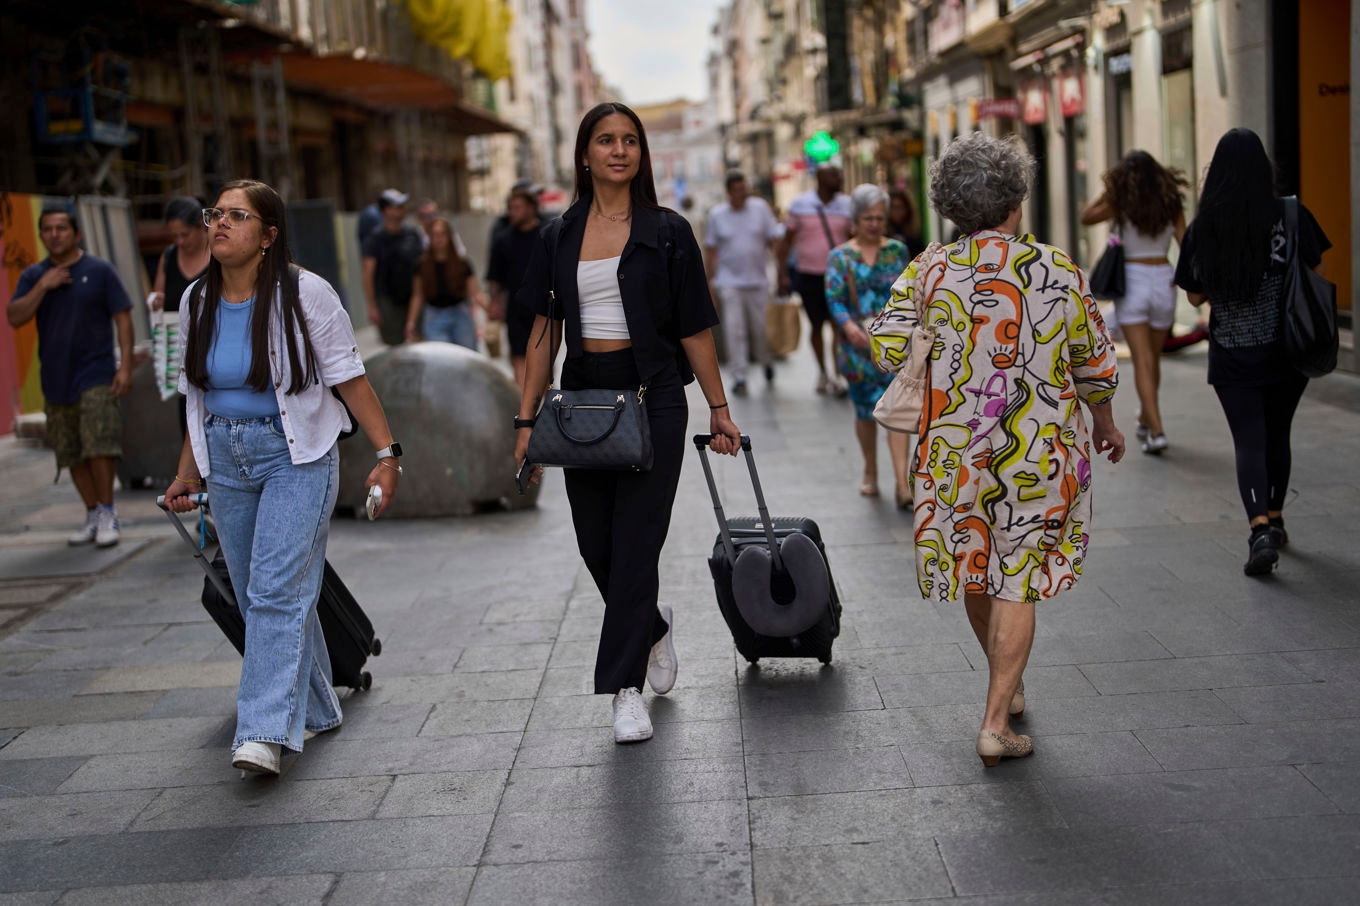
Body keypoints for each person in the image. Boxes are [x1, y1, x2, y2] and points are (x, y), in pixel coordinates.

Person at [870, 132, 1124, 767]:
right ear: (1016, 199)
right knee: (1018, 578)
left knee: (976, 567)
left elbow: (887, 350)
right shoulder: (1057, 269)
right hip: (1039, 453)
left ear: (953, 206)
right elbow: (1094, 362)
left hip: (954, 454)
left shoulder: (929, 267)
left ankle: (1004, 687)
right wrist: (1107, 423)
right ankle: (994, 720)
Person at [513, 102, 741, 745]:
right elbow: (542, 332)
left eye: (630, 141)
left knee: (637, 544)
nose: (619, 150)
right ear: (585, 154)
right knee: (597, 546)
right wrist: (524, 420)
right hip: (584, 403)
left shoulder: (668, 232)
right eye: (606, 140)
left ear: (641, 154)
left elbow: (695, 326)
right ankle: (653, 628)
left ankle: (624, 690)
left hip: (655, 398)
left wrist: (718, 410)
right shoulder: (560, 236)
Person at [162, 179, 402, 777]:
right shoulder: (196, 300)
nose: (218, 224)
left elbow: (350, 379)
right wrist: (186, 474)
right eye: (215, 213)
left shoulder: (306, 294)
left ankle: (262, 732)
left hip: (295, 456)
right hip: (225, 457)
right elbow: (195, 398)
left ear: (268, 236)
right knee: (256, 596)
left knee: (274, 593)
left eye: (236, 217)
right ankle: (321, 706)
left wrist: (387, 454)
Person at [1173, 128, 1330, 577]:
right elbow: (1317, 269)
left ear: (1216, 174)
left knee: (1249, 441)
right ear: (1265, 170)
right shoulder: (1291, 214)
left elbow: (1196, 299)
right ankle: (1277, 518)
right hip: (1288, 351)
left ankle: (1259, 527)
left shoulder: (1206, 227)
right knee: (1279, 434)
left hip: (1233, 354)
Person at [7, 207, 134, 548]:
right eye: (47, 229)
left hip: (96, 372)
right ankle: (92, 513)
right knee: (70, 450)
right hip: (56, 376)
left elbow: (123, 317)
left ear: (76, 233)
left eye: (61, 228)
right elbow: (14, 316)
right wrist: (43, 287)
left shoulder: (100, 270)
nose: (54, 235)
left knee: (98, 443)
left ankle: (108, 511)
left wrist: (124, 368)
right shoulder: (34, 275)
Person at [1081, 151, 1188, 454]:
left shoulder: (1122, 202)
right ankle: (1146, 417)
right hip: (1163, 279)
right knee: (1152, 359)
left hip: (1134, 279)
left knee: (1142, 360)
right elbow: (1185, 243)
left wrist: (1110, 191)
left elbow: (1086, 216)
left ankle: (1157, 431)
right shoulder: (1171, 203)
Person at [825, 184, 914, 506]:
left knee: (897, 411)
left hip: (893, 348)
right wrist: (849, 328)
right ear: (855, 220)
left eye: (879, 217)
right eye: (867, 218)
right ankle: (871, 470)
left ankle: (903, 484)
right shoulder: (840, 256)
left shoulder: (897, 251)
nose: (875, 224)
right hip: (857, 350)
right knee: (865, 413)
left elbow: (908, 294)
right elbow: (834, 300)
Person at [776, 164, 853, 394]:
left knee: (838, 325)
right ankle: (822, 373)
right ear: (820, 178)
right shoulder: (800, 205)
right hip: (808, 274)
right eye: (834, 175)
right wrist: (782, 274)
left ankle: (839, 375)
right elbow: (786, 242)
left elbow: (853, 240)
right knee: (816, 324)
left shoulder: (847, 205)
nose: (839, 178)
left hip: (838, 276)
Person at [703, 171, 781, 395]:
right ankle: (739, 376)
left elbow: (773, 241)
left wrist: (781, 271)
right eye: (737, 191)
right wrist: (710, 282)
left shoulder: (760, 209)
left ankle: (766, 360)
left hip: (758, 280)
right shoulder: (717, 214)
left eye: (744, 189)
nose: (741, 194)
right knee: (734, 330)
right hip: (729, 281)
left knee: (761, 328)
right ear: (728, 192)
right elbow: (712, 250)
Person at [151, 196, 211, 437]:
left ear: (201, 227)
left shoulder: (218, 254)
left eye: (185, 235)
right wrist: (155, 301)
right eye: (174, 236)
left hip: (214, 349)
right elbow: (160, 296)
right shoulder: (169, 256)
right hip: (183, 356)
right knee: (189, 426)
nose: (180, 241)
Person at [486, 185, 544, 387]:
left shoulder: (547, 234)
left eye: (518, 207)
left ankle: (544, 405)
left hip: (544, 307)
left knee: (544, 358)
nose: (512, 212)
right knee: (519, 356)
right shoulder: (504, 239)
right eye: (511, 208)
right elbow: (494, 277)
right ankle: (525, 407)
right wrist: (495, 303)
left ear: (531, 208)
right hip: (516, 308)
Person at [405, 217, 482, 349]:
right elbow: (417, 295)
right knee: (441, 360)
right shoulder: (422, 264)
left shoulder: (462, 263)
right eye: (434, 235)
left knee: (466, 358)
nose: (438, 239)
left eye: (442, 234)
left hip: (460, 314)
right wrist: (411, 322)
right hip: (435, 315)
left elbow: (476, 293)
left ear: (449, 237)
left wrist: (490, 309)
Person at [362, 188, 425, 346]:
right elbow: (368, 275)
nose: (402, 210)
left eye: (403, 206)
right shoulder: (375, 239)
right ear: (386, 210)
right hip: (388, 301)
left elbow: (422, 267)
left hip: (413, 298)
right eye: (397, 206)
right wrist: (372, 306)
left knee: (419, 342)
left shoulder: (412, 235)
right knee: (395, 345)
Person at [886, 188, 927, 260]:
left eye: (900, 208)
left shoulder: (913, 233)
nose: (897, 212)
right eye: (893, 207)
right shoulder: (883, 232)